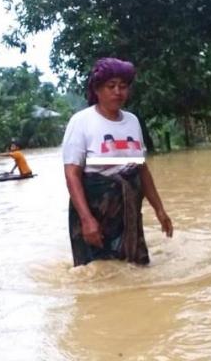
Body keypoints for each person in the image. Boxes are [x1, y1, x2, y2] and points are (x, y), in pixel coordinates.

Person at [62, 57, 173, 267]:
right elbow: (72, 174)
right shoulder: (81, 122)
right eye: (111, 86)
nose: (118, 92)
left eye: (123, 86)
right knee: (96, 271)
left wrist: (159, 210)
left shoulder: (132, 121)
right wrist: (86, 219)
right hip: (95, 206)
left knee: (136, 264)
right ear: (97, 89)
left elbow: (141, 169)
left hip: (128, 205)